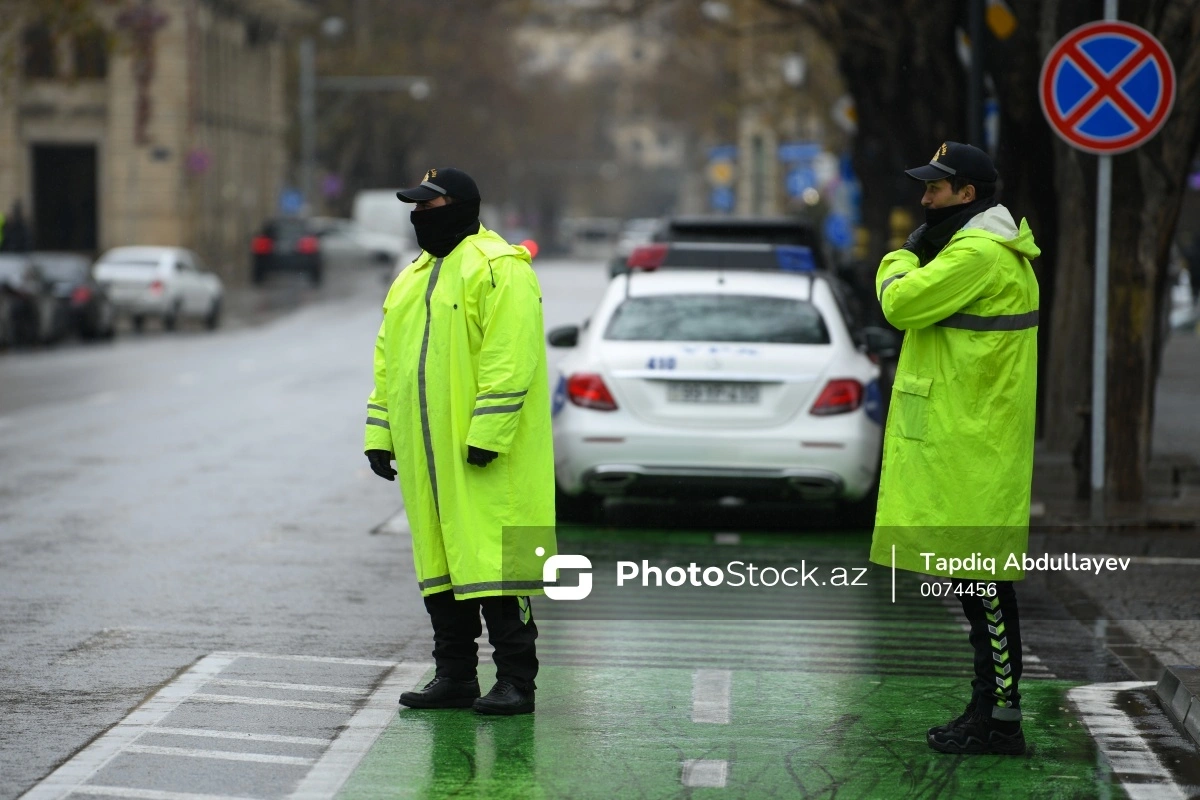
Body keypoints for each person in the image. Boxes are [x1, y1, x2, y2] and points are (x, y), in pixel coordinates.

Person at [363, 167, 556, 716]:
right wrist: (380, 432)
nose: (421, 215)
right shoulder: (410, 279)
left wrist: (488, 433)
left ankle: (517, 680)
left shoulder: (501, 269)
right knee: (442, 565)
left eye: (431, 205)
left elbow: (510, 358)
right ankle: (455, 675)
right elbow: (388, 365)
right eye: (416, 207)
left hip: (492, 458)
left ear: (463, 206)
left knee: (500, 567)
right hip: (430, 457)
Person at [869, 142, 1040, 755]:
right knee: (976, 592)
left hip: (975, 445)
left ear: (968, 195)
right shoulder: (984, 250)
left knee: (985, 593)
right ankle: (989, 709)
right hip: (971, 440)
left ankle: (1000, 720)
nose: (924, 198)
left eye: (936, 189)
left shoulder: (978, 256)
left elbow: (901, 303)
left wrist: (899, 256)